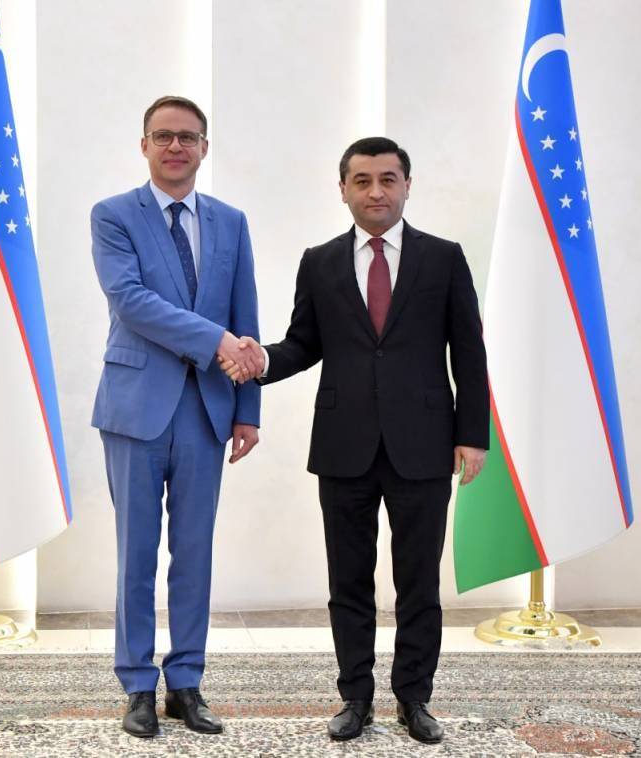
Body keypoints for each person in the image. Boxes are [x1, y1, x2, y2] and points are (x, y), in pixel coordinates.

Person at [222, 137, 489, 744]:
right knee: (348, 582)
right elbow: (304, 343)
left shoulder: (444, 258)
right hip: (344, 446)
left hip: (425, 444)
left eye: (388, 179)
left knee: (418, 583)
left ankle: (414, 699)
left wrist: (473, 435)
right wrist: (261, 359)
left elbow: (469, 353)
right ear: (342, 188)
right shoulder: (319, 261)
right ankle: (355, 698)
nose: (376, 192)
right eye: (362, 180)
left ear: (407, 186)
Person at [90, 95, 264, 739]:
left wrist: (248, 408)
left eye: (187, 137)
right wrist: (216, 340)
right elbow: (131, 301)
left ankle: (185, 682)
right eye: (162, 136)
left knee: (194, 553)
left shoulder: (230, 222)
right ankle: (137, 685)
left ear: (204, 148)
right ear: (144, 145)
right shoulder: (113, 215)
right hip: (135, 409)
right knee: (135, 554)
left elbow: (245, 315)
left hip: (207, 412)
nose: (175, 147)